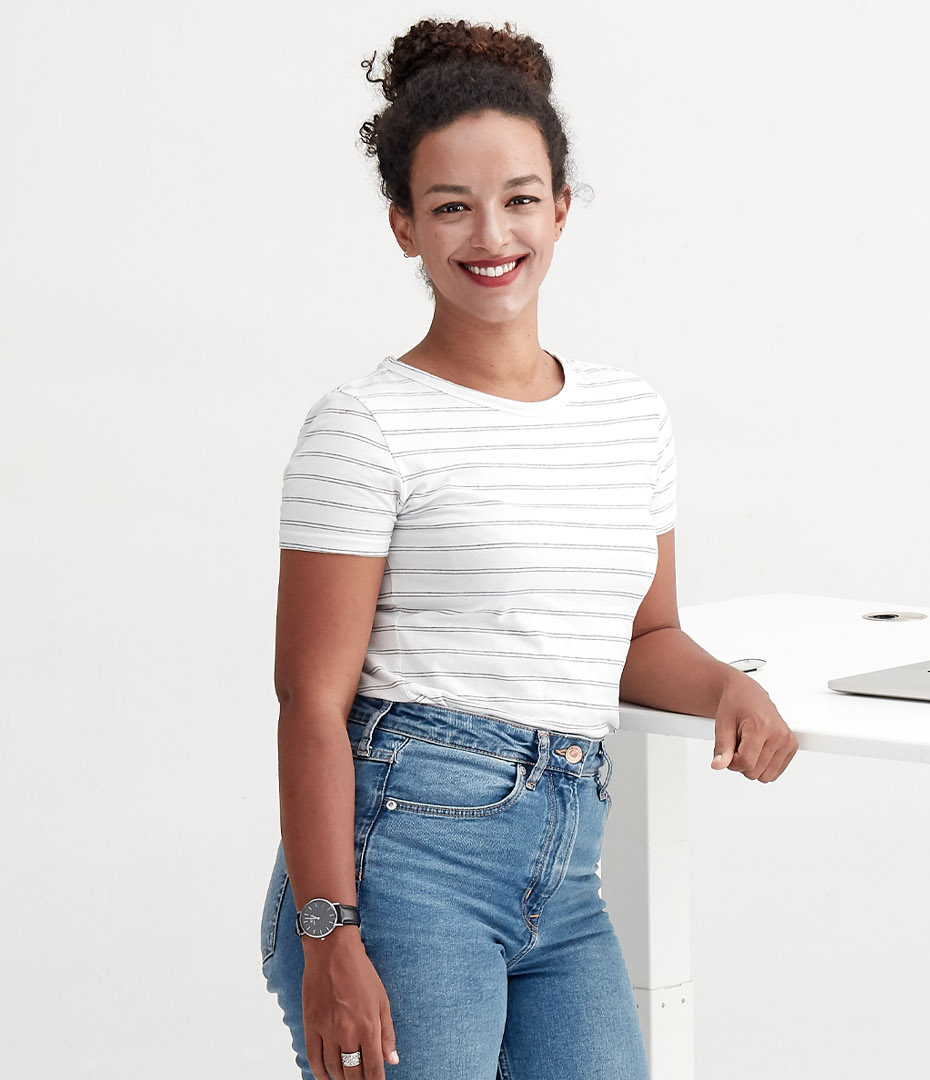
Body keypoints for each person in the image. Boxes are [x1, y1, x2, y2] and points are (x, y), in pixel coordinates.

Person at [259, 18, 799, 1080]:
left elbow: (642, 636)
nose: (489, 234)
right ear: (404, 227)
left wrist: (729, 687)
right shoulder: (366, 425)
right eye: (450, 206)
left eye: (517, 199)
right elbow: (309, 703)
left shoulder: (628, 414)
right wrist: (330, 937)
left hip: (567, 868)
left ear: (560, 206)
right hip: (405, 861)